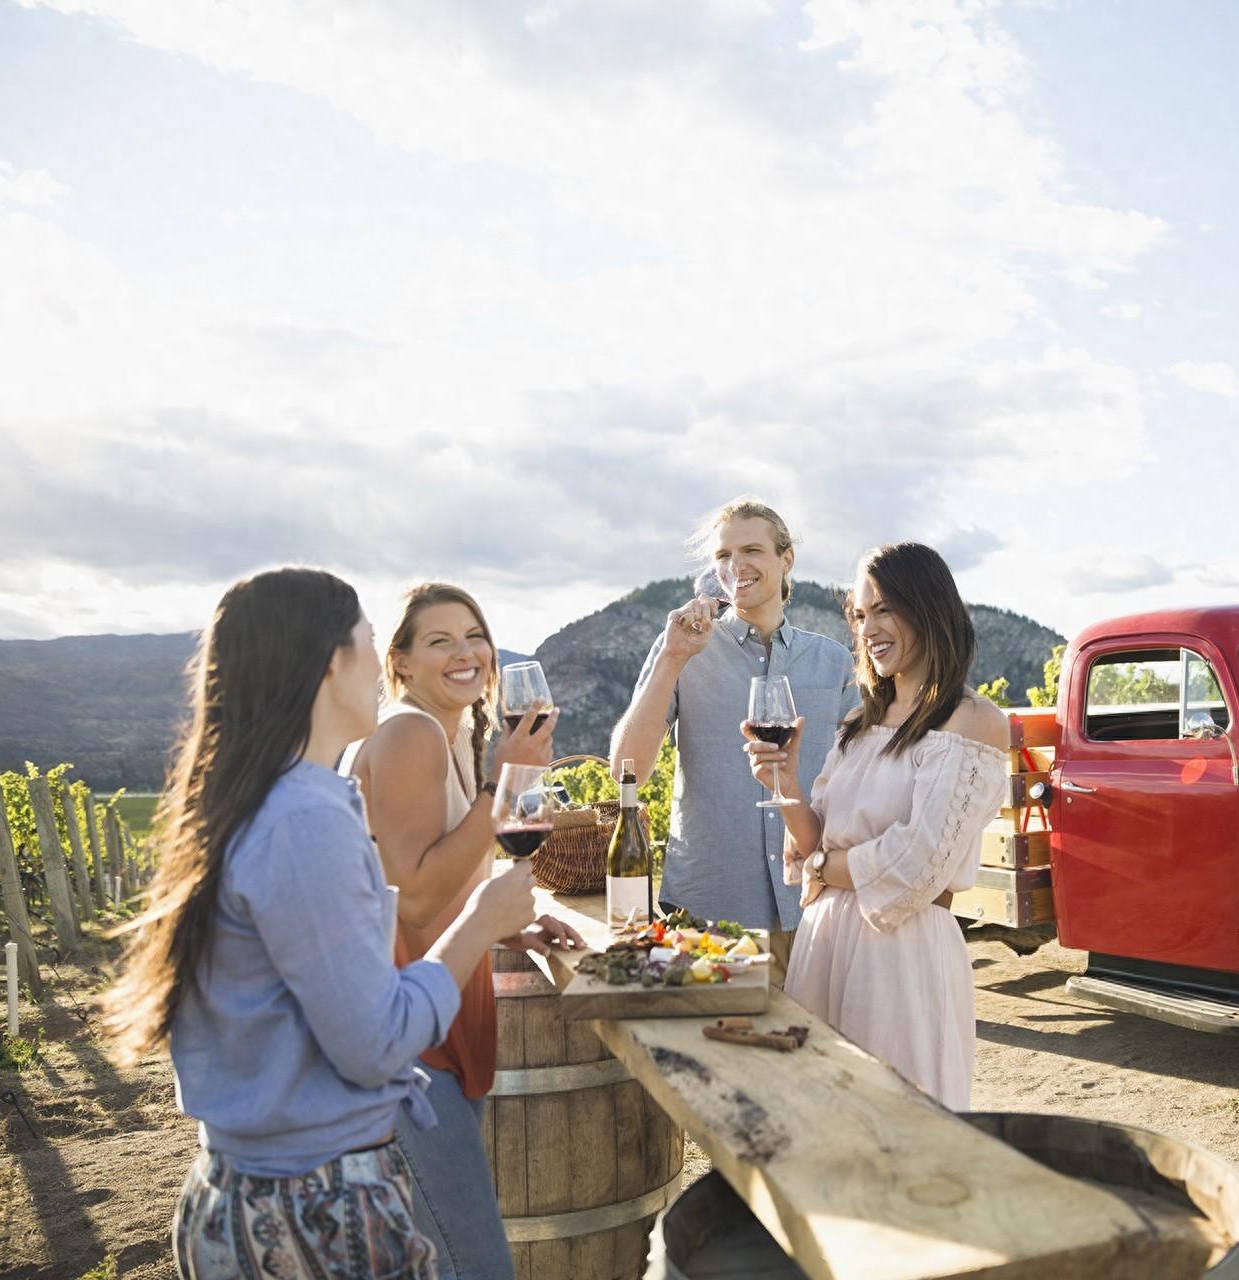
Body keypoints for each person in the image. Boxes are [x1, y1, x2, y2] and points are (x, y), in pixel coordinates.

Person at [102, 567, 578, 1279]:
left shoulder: (270, 799)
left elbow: (344, 940)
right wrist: (480, 921)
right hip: (310, 1208)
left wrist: (496, 925)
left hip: (262, 1193)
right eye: (369, 640)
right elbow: (377, 1041)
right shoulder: (305, 817)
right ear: (334, 662)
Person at [743, 543, 1009, 1107]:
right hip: (823, 944)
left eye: (884, 609)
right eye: (860, 616)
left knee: (898, 1130)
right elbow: (815, 838)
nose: (869, 629)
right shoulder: (857, 723)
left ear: (928, 607)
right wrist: (786, 785)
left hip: (901, 954)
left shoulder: (974, 722)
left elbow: (917, 869)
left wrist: (819, 866)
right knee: (822, 1124)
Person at [347, 582, 558, 1280]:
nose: (467, 652)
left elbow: (436, 887)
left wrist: (508, 929)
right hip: (416, 1048)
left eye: (474, 635)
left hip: (435, 1028)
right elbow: (411, 898)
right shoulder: (410, 732)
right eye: (440, 641)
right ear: (400, 661)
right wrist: (505, 787)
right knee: (477, 1267)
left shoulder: (443, 733)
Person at [612, 497, 855, 975]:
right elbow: (627, 773)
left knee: (813, 1049)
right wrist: (672, 659)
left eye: (751, 550)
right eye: (723, 556)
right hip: (708, 913)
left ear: (786, 560)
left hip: (811, 912)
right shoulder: (683, 649)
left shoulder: (834, 663)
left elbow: (860, 778)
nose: (735, 566)